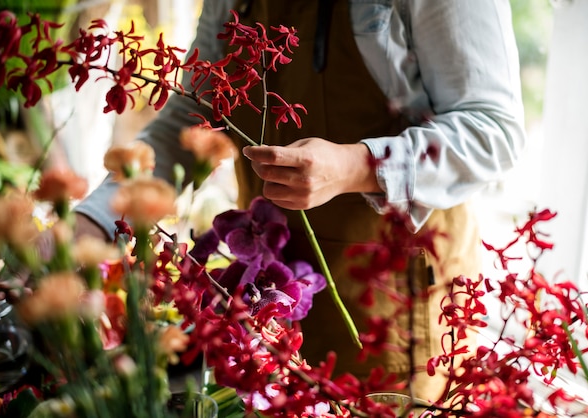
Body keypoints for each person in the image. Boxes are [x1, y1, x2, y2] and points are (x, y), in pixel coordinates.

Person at [74, 0, 526, 402]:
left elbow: (493, 131)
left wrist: (358, 166)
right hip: (263, 297)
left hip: (387, 308)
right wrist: (97, 219)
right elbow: (195, 112)